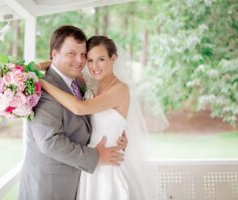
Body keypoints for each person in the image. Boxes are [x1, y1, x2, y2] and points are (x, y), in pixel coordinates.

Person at [40, 35, 160, 199]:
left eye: (101, 59)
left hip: (108, 165)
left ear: (113, 58)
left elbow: (79, 108)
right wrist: (34, 67)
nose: (94, 66)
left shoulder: (120, 89)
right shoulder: (90, 84)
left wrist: (43, 83)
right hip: (92, 163)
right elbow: (60, 63)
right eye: (89, 60)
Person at [18, 25, 127, 200]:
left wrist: (116, 132)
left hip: (80, 177)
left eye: (83, 54)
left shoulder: (79, 83)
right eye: (71, 53)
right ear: (54, 54)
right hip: (50, 186)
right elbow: (50, 142)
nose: (80, 60)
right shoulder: (44, 88)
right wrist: (96, 157)